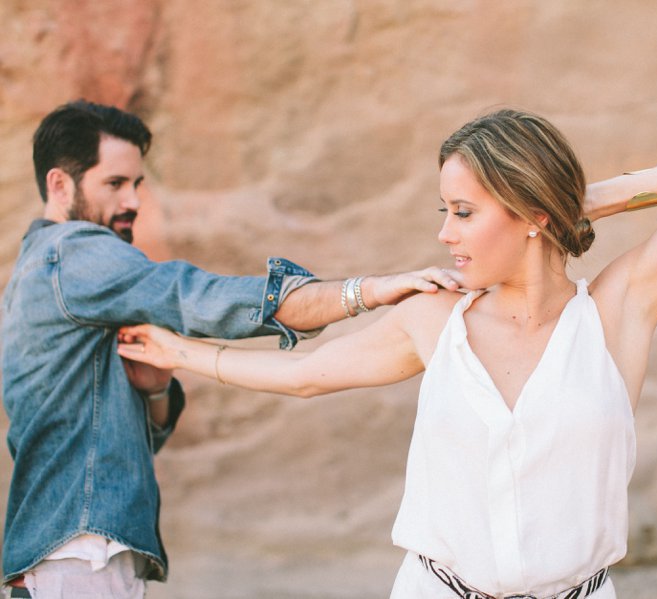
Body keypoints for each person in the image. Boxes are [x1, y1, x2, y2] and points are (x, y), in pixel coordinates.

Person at [118, 109, 657, 598]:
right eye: (446, 210)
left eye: (464, 211)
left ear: (528, 212)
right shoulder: (436, 319)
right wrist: (183, 352)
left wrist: (576, 198)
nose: (444, 232)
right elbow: (303, 375)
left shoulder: (614, 313)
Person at [0, 100, 458, 599]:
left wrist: (154, 393)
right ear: (60, 185)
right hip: (79, 558)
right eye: (114, 184)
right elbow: (191, 294)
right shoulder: (73, 252)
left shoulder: (38, 273)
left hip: (73, 553)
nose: (132, 201)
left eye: (137, 184)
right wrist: (366, 291)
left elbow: (91, 439)